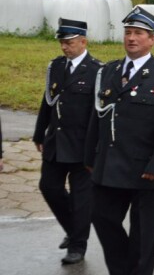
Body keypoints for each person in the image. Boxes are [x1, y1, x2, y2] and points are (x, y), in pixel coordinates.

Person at [84, 6, 154, 275]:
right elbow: (97, 116)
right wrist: (89, 156)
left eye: (139, 33)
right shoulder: (108, 72)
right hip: (110, 166)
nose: (131, 38)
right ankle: (121, 269)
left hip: (145, 170)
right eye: (128, 32)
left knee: (143, 237)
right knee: (101, 217)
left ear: (152, 39)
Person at [32, 18, 101, 265]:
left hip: (83, 145)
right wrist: (39, 134)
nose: (64, 47)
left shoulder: (97, 71)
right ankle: (73, 230)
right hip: (56, 141)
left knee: (83, 199)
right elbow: (47, 102)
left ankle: (77, 246)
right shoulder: (56, 67)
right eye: (62, 42)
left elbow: (99, 113)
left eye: (69, 42)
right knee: (48, 187)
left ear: (83, 41)